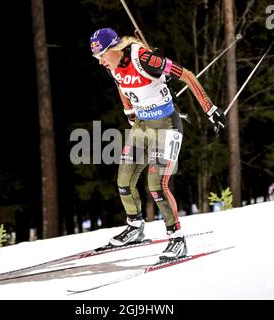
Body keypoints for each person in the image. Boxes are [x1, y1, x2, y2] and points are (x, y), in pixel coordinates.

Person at [89, 28, 226, 259]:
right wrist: (129, 111)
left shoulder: (143, 58)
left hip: (167, 127)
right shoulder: (113, 67)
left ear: (114, 49)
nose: (101, 62)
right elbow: (121, 85)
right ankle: (135, 227)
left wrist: (209, 109)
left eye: (102, 55)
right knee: (124, 181)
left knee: (156, 185)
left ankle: (177, 239)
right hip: (142, 127)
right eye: (97, 58)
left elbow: (188, 75)